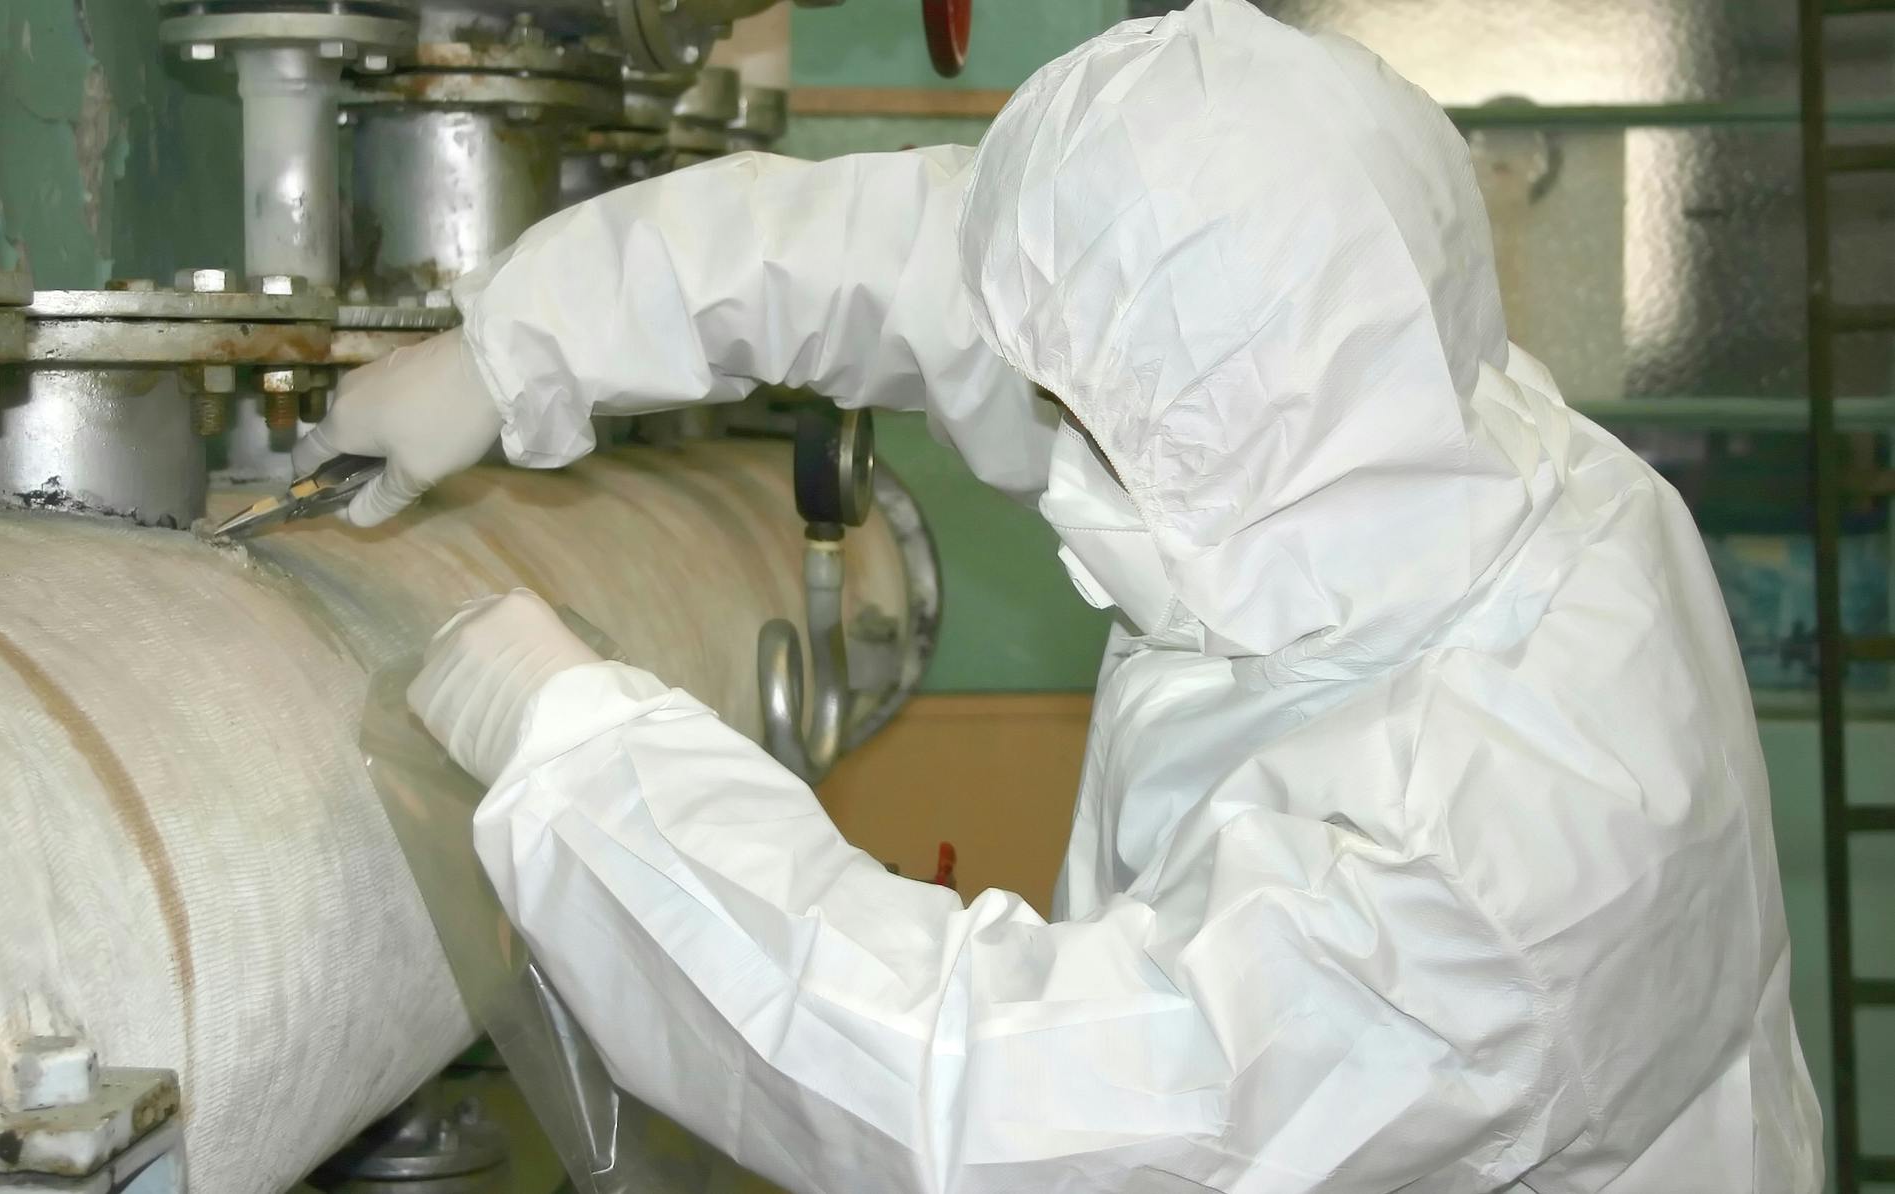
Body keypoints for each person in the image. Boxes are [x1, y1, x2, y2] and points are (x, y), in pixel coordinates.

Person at [295, 2, 1824, 1189]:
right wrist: (517, 343)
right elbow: (930, 262)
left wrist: (586, 772)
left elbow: (985, 1099)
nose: (1034, 428)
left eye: (1082, 419)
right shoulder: (1377, 402)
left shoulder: (1500, 861)